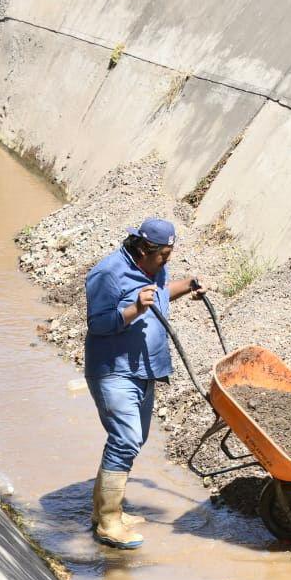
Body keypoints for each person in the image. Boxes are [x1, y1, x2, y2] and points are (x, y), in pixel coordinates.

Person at [84, 218, 204, 549]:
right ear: (143, 249)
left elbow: (160, 296)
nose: (167, 261)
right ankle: (108, 523)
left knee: (134, 439)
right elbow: (97, 324)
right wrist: (135, 309)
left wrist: (189, 285)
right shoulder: (107, 273)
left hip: (145, 370)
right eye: (163, 255)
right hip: (113, 370)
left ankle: (105, 511)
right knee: (125, 439)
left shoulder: (154, 270)